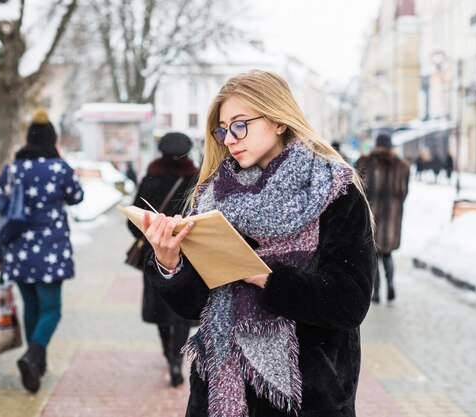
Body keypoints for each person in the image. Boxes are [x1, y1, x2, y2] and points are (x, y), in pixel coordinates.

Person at [138, 70, 376, 416]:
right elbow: (192, 308)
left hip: (308, 399)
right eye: (223, 129)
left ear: (279, 121)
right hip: (220, 399)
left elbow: (350, 301)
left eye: (240, 124)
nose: (230, 138)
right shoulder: (212, 198)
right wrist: (169, 261)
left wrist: (265, 277)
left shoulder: (332, 190)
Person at [0, 109, 84, 393]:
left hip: (17, 249)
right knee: (52, 310)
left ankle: (36, 365)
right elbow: (77, 196)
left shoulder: (12, 170)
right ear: (52, 139)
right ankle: (33, 356)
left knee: (32, 306)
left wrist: (0, 253)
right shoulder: (60, 168)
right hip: (50, 250)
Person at [127, 132, 199, 387]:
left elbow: (133, 221)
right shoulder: (195, 177)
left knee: (160, 307)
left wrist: (150, 235)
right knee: (180, 309)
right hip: (187, 253)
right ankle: (178, 360)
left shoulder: (151, 177)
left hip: (154, 252)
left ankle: (169, 355)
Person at [355, 133, 409, 304]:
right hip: (392, 219)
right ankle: (391, 284)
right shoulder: (402, 167)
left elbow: (359, 189)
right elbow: (404, 193)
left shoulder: (366, 163)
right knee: (388, 255)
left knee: (374, 256)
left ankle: (376, 292)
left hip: (372, 217)